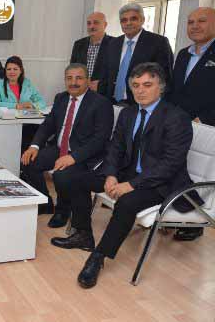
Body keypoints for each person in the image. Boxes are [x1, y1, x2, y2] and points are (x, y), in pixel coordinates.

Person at [51, 62, 203, 289]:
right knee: (72, 178)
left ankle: (98, 257)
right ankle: (83, 234)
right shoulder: (128, 113)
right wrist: (111, 175)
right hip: (126, 173)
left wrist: (131, 184)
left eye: (147, 85)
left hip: (161, 183)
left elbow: (170, 165)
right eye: (136, 85)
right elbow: (115, 149)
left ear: (160, 87)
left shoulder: (176, 118)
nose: (140, 90)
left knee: (127, 202)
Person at [21, 64, 113, 227]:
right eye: (69, 78)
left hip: (84, 154)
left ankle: (63, 210)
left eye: (79, 78)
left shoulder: (101, 103)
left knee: (61, 175)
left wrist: (73, 157)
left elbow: (100, 140)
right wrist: (34, 146)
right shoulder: (61, 98)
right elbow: (48, 125)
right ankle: (46, 203)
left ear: (88, 81)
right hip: (60, 149)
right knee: (28, 162)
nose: (73, 82)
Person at [167, 7, 215, 241]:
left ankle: (194, 219)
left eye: (201, 21)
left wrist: (205, 119)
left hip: (206, 127)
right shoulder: (183, 54)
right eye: (190, 22)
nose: (195, 26)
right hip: (179, 123)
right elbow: (175, 90)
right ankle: (177, 210)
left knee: (197, 171)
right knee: (177, 165)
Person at [99, 3, 173, 104]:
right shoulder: (113, 44)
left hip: (141, 103)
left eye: (133, 19)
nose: (128, 23)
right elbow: (105, 76)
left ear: (142, 20)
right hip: (111, 102)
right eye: (124, 20)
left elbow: (165, 78)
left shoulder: (158, 42)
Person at [70, 12, 112, 91]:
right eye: (89, 23)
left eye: (96, 23)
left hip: (103, 93)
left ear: (105, 25)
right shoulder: (79, 44)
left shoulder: (114, 43)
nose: (91, 26)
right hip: (80, 90)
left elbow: (116, 73)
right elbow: (72, 68)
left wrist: (101, 85)